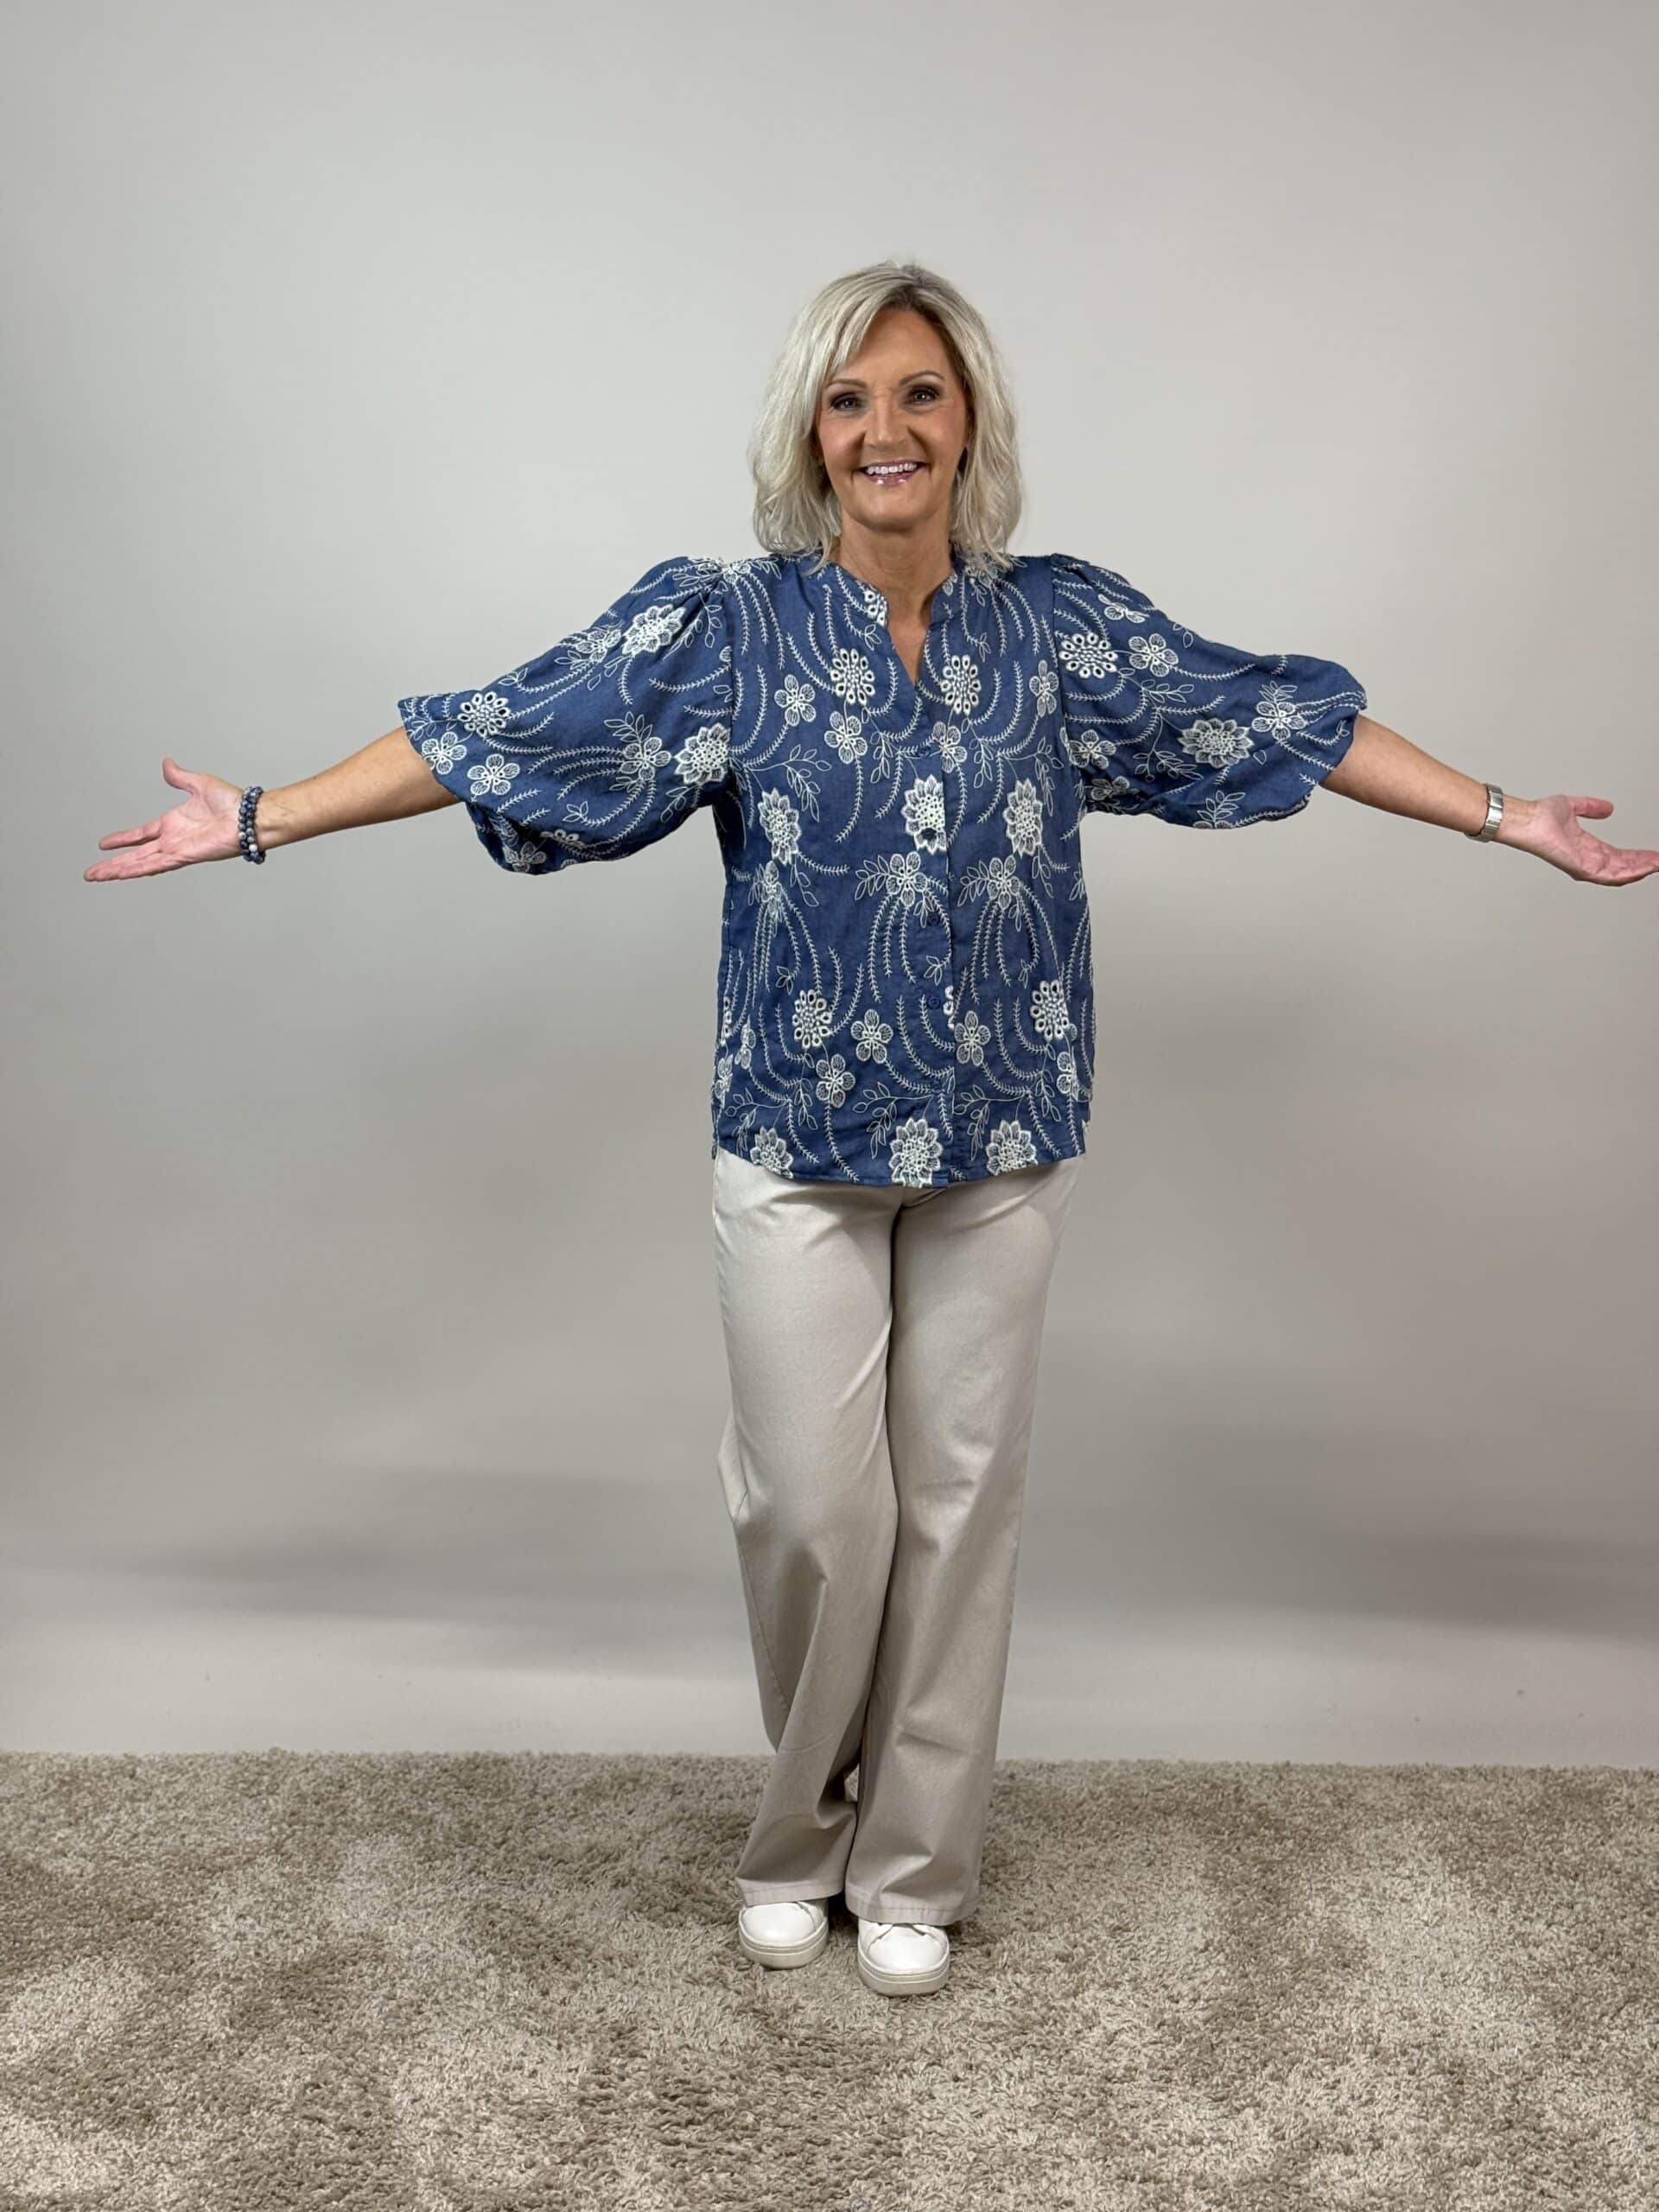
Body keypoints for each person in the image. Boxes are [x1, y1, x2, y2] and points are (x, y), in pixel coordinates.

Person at [84, 260, 1659, 2001]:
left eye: (917, 393)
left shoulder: (1054, 627)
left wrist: (1506, 814)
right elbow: (506, 730)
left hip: (1002, 1133)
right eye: (849, 400)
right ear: (811, 434)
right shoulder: (730, 629)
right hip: (796, 1140)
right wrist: (264, 817)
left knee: (961, 1510)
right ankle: (799, 1839)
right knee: (815, 1510)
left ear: (968, 421)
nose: (883, 429)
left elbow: (1270, 712)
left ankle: (915, 1866)